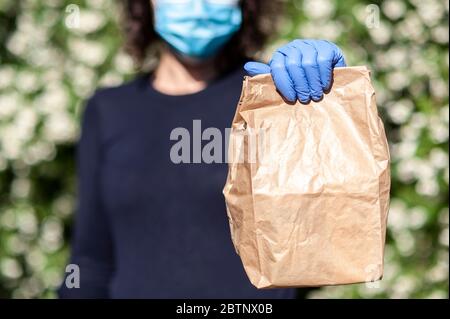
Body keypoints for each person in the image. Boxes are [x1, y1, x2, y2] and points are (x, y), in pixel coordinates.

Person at [59, 0, 346, 298]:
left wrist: (332, 100)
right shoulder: (108, 111)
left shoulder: (273, 100)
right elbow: (91, 260)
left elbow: (328, 233)